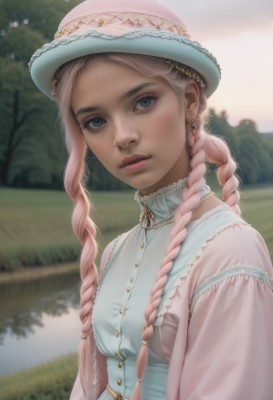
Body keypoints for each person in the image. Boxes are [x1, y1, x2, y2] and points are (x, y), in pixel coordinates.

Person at [29, 0, 273, 399]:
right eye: (95, 121)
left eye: (142, 101)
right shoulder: (116, 253)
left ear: (190, 100)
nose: (122, 135)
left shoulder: (231, 252)